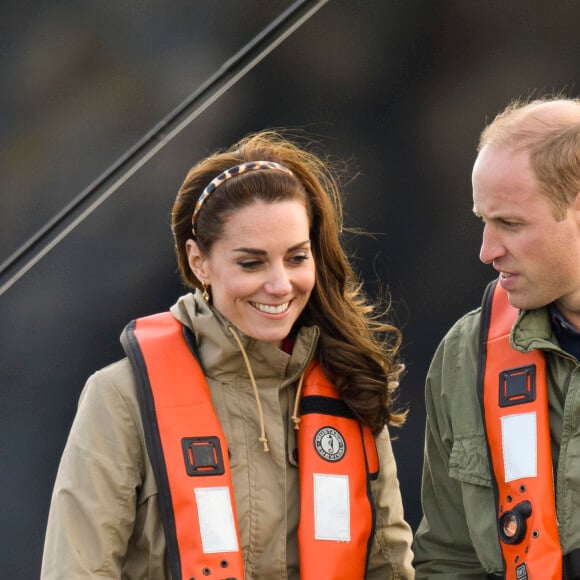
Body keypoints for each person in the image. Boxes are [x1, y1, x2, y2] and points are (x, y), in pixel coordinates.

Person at [40, 129, 415, 579]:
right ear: (199, 262)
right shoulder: (121, 397)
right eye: (251, 263)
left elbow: (391, 568)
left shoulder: (351, 384)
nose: (279, 285)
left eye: (296, 258)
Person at [413, 96, 580, 579]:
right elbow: (448, 559)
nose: (487, 251)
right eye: (483, 221)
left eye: (510, 223)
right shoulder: (466, 355)